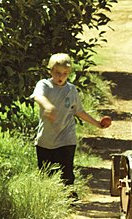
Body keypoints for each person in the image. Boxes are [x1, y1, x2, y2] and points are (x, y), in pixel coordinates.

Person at [31, 53, 111, 191]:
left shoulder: (71, 90)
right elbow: (38, 96)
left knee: (66, 173)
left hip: (66, 138)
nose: (61, 77)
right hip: (45, 139)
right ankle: (49, 201)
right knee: (46, 175)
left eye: (65, 73)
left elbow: (79, 111)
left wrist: (98, 123)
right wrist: (48, 106)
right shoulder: (44, 85)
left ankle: (69, 198)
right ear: (50, 70)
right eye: (57, 73)